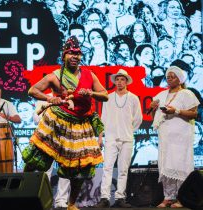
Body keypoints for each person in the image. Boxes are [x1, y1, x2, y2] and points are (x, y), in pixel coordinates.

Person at [22, 36, 108, 210]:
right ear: (64, 56)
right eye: (71, 54)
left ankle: (71, 204)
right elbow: (33, 90)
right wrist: (49, 98)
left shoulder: (89, 75)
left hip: (80, 125)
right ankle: (20, 192)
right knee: (36, 157)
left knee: (80, 167)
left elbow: (105, 95)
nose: (75, 57)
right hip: (57, 121)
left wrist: (90, 93)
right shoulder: (55, 76)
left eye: (78, 54)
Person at [149, 65, 199, 208]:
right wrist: (153, 108)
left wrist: (175, 111)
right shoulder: (161, 95)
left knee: (181, 165)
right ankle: (168, 197)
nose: (169, 79)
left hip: (181, 137)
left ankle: (183, 198)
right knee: (166, 166)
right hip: (166, 137)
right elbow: (155, 117)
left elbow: (194, 114)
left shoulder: (187, 93)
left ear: (180, 79)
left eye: (172, 76)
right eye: (168, 77)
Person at [94, 69, 142, 208]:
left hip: (127, 139)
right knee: (107, 168)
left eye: (122, 79)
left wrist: (128, 131)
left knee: (123, 169)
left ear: (126, 81)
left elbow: (138, 119)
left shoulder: (133, 98)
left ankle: (120, 197)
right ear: (114, 81)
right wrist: (101, 137)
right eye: (117, 79)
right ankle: (105, 198)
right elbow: (103, 118)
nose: (120, 82)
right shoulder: (108, 97)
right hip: (111, 138)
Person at [33, 94, 70, 208]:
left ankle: (61, 200)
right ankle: (43, 199)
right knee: (44, 171)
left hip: (64, 139)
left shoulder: (69, 99)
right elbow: (36, 119)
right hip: (46, 139)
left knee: (65, 170)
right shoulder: (43, 99)